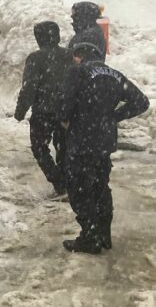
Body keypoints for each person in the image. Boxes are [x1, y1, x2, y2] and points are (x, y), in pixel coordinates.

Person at [59, 42, 149, 254]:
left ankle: (90, 238)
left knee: (79, 187)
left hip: (82, 138)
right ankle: (103, 234)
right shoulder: (115, 75)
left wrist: (65, 119)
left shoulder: (78, 71)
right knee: (100, 185)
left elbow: (65, 104)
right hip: (104, 141)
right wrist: (112, 117)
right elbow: (141, 102)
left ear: (79, 56)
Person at [14, 21, 72, 197]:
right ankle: (66, 183)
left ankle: (59, 182)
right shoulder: (69, 55)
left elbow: (29, 87)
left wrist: (21, 110)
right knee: (63, 147)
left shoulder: (35, 58)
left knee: (39, 147)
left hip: (43, 111)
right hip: (66, 111)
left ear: (39, 38)